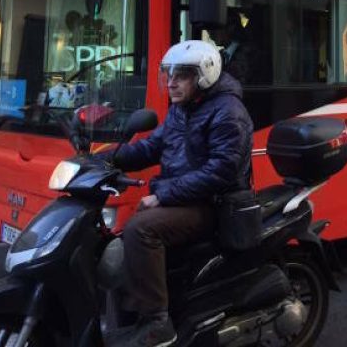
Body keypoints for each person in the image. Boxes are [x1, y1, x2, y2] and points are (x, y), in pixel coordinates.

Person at [108, 40, 253, 347]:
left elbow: (220, 171)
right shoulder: (181, 109)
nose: (171, 82)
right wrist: (110, 157)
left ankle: (158, 323)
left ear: (204, 76)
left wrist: (164, 195)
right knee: (117, 239)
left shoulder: (228, 112)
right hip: (185, 198)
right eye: (169, 74)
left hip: (213, 203)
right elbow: (153, 146)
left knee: (141, 229)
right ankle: (132, 314)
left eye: (182, 75)